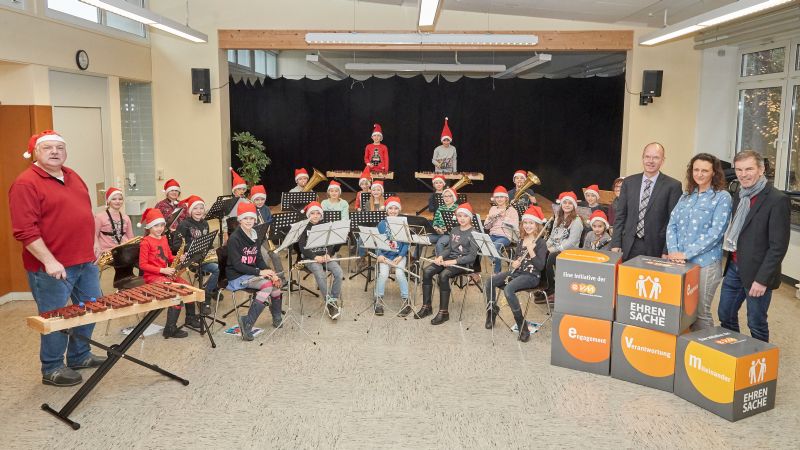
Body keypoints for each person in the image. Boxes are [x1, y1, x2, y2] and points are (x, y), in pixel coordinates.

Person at [10, 130, 106, 387]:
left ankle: (79, 356)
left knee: (91, 308)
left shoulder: (73, 175)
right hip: (51, 267)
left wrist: (94, 241)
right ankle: (52, 367)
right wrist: (50, 261)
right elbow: (24, 230)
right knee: (56, 317)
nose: (55, 152)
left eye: (59, 147)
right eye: (48, 148)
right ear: (35, 153)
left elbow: (86, 213)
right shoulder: (25, 183)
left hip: (85, 260)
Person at [718, 150, 790, 343]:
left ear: (761, 169)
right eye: (739, 169)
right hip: (734, 267)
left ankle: (760, 364)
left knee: (755, 321)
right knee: (725, 314)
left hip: (758, 273)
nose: (743, 174)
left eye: (749, 168)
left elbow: (778, 247)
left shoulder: (777, 200)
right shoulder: (739, 194)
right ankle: (736, 353)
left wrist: (762, 280)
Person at [666, 153, 732, 331]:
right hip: (680, 263)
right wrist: (674, 252)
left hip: (705, 265)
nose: (700, 174)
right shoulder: (686, 196)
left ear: (714, 173)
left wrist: (686, 253)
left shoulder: (722, 197)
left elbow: (716, 233)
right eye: (696, 169)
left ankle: (705, 355)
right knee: (683, 311)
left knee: (700, 314)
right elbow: (672, 225)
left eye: (705, 170)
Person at [484, 206, 547, 342]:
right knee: (490, 281)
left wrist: (531, 251)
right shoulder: (520, 241)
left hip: (531, 276)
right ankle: (492, 311)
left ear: (537, 225)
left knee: (508, 289)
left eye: (531, 223)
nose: (528, 226)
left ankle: (521, 325)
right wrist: (515, 262)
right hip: (518, 273)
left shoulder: (541, 243)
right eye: (525, 223)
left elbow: (540, 266)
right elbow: (517, 259)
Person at [610, 142, 682, 261]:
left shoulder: (673, 186)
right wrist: (615, 243)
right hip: (628, 245)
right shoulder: (628, 182)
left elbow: (673, 222)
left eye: (656, 157)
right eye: (647, 156)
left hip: (656, 248)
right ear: (642, 158)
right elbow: (620, 216)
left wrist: (667, 249)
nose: (650, 161)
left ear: (662, 160)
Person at [226, 202, 284, 340]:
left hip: (251, 272)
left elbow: (258, 259)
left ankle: (276, 316)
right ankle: (247, 322)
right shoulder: (234, 238)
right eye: (245, 218)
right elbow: (237, 265)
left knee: (275, 284)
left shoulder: (254, 234)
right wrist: (260, 272)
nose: (248, 221)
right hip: (237, 275)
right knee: (266, 285)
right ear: (240, 220)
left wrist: (270, 272)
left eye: (251, 218)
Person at [417, 202, 479, 325]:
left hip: (463, 263)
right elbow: (449, 248)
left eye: (465, 216)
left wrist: (453, 261)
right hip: (449, 259)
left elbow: (472, 257)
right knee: (427, 271)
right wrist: (440, 257)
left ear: (470, 218)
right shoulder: (455, 229)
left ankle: (444, 312)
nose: (462, 218)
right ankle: (426, 306)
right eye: (459, 215)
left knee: (443, 275)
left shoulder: (474, 233)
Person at [137, 208, 192, 339]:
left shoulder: (163, 239)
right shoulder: (145, 242)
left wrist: (179, 258)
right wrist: (162, 270)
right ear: (149, 226)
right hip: (153, 277)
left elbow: (169, 257)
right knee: (176, 294)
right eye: (156, 225)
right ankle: (170, 328)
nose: (160, 228)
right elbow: (142, 265)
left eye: (162, 225)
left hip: (166, 274)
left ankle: (191, 319)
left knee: (188, 287)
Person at [173, 195, 220, 324]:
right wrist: (191, 247)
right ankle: (206, 297)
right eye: (195, 208)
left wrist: (212, 250)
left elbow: (207, 242)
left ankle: (207, 290)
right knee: (216, 269)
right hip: (190, 259)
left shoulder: (205, 223)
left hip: (203, 256)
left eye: (201, 208)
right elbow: (176, 245)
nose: (199, 211)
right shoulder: (184, 224)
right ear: (190, 211)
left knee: (223, 263)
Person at [297, 201, 344, 320]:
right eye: (312, 213)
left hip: (324, 256)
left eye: (318, 213)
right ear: (308, 215)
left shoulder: (325, 225)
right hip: (310, 258)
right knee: (320, 273)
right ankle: (329, 303)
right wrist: (314, 257)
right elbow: (302, 248)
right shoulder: (303, 228)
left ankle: (333, 299)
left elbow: (330, 243)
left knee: (339, 273)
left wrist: (328, 254)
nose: (315, 215)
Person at [374, 197, 413, 317]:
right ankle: (378, 300)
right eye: (390, 208)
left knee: (400, 274)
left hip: (398, 257)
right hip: (385, 257)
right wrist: (379, 255)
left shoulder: (402, 222)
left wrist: (401, 256)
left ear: (399, 209)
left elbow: (406, 243)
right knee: (383, 275)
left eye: (396, 208)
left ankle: (406, 301)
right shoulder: (381, 224)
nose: (393, 210)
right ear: (386, 210)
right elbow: (377, 242)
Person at [544, 192, 585, 302]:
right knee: (541, 253)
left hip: (569, 251)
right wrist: (544, 247)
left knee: (551, 256)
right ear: (561, 204)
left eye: (570, 203)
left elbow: (572, 242)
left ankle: (554, 290)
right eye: (565, 203)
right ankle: (546, 286)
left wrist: (554, 249)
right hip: (556, 248)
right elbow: (552, 236)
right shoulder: (558, 218)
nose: (567, 205)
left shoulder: (577, 220)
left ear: (574, 206)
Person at [250, 184, 287, 285]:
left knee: (275, 254)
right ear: (253, 200)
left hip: (265, 238)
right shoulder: (250, 209)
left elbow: (270, 222)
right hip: (255, 241)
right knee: (265, 256)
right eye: (257, 199)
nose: (260, 202)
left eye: (262, 199)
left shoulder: (266, 209)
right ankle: (265, 279)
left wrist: (269, 228)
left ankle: (281, 278)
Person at [484, 186, 519, 274]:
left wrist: (505, 218)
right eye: (497, 197)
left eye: (501, 197)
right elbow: (486, 227)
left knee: (495, 247)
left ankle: (497, 272)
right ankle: (496, 260)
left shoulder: (512, 210)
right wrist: (490, 218)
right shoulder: (493, 209)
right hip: (493, 234)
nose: (499, 199)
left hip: (505, 236)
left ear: (506, 198)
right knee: (482, 246)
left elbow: (516, 227)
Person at [94, 187, 134, 256]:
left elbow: (131, 237)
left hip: (124, 251)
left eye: (120, 199)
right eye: (114, 199)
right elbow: (94, 236)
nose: (117, 201)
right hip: (107, 253)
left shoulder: (126, 217)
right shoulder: (99, 217)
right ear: (108, 201)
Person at [429, 186, 459, 255]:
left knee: (439, 244)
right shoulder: (440, 208)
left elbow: (457, 226)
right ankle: (416, 259)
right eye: (445, 196)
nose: (446, 198)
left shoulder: (458, 209)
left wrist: (445, 230)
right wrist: (436, 227)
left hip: (449, 234)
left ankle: (441, 263)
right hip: (438, 233)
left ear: (453, 197)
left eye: (449, 196)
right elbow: (436, 221)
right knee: (421, 240)